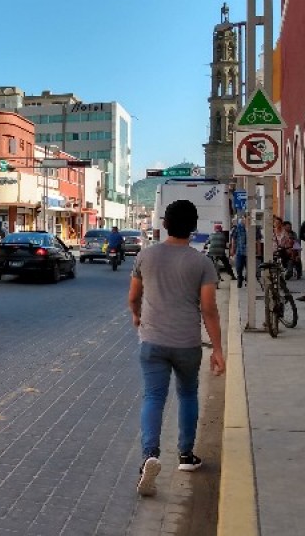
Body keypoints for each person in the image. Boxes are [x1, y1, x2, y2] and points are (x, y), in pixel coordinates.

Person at [128, 199, 225, 497]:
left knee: (154, 397)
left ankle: (149, 456)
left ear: (165, 224)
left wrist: (137, 316)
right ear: (194, 227)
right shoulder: (201, 262)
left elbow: (133, 297)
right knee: (186, 394)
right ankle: (185, 456)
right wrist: (218, 350)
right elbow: (209, 309)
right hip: (187, 343)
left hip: (152, 341)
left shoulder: (146, 256)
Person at [230, 217, 247, 288]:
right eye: (245, 219)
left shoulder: (254, 228)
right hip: (240, 251)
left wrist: (258, 251)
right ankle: (240, 278)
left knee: (250, 268)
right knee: (239, 267)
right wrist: (232, 249)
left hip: (250, 252)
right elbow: (233, 239)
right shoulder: (237, 228)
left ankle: (247, 279)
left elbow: (258, 239)